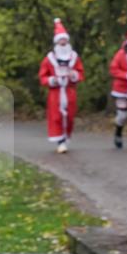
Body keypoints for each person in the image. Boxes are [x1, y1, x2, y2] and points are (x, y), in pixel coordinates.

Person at [38, 18, 84, 153]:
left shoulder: (74, 57)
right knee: (56, 116)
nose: (63, 43)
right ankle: (60, 142)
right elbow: (42, 76)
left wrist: (74, 75)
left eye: (64, 40)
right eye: (60, 40)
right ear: (56, 42)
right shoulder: (49, 58)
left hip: (70, 91)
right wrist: (52, 80)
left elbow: (81, 73)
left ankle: (66, 137)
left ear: (67, 41)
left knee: (69, 117)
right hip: (56, 92)